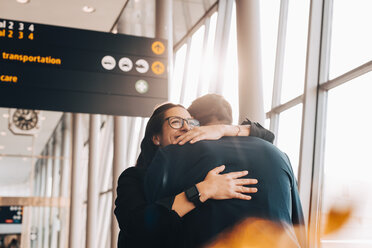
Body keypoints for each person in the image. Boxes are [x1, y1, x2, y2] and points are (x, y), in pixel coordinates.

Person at [144, 95, 306, 247]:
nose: (186, 128)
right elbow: (297, 224)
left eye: (188, 121)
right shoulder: (278, 154)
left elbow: (153, 227)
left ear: (195, 122)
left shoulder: (171, 156)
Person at [114, 102, 274, 248]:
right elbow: (138, 226)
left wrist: (222, 129)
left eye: (190, 122)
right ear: (156, 138)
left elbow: (266, 136)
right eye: (176, 122)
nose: (186, 128)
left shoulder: (198, 170)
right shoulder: (133, 177)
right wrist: (203, 190)